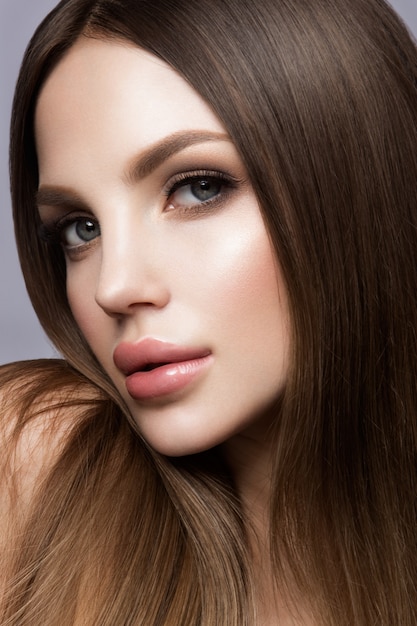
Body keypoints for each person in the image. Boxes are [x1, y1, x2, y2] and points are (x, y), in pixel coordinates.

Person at [1, 0, 417, 623]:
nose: (112, 287)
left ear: (357, 180)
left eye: (199, 187)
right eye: (79, 229)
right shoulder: (35, 464)